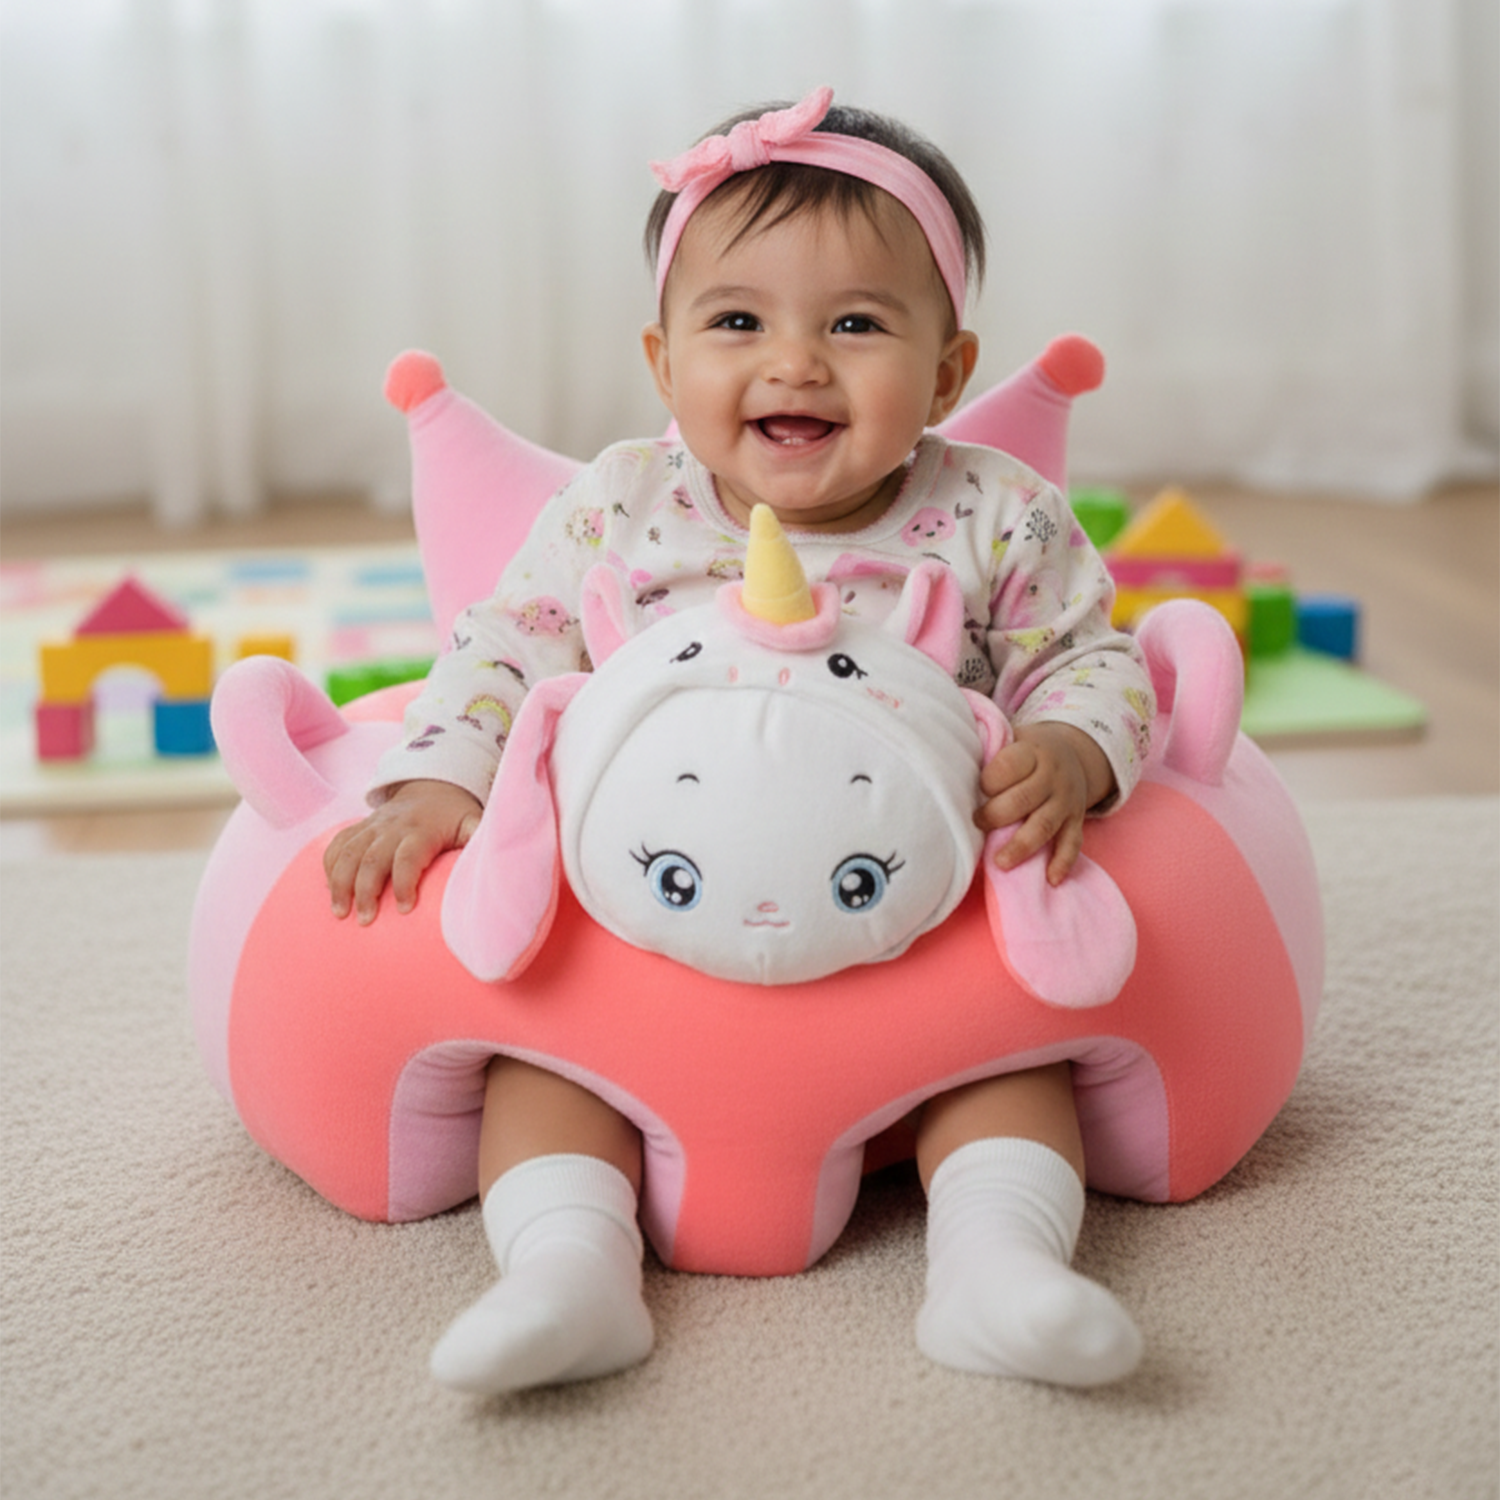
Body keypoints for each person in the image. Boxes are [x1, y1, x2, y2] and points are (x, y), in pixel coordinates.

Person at [325, 87, 1155, 1394]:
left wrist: (1070, 747)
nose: (796, 363)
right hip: (647, 928)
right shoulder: (621, 507)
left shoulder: (996, 512)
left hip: (911, 941)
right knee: (545, 1064)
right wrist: (440, 778)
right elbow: (508, 644)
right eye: (737, 323)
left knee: (1008, 1070)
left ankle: (998, 1267)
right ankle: (567, 1272)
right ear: (664, 363)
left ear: (947, 371)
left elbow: (1096, 656)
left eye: (857, 325)